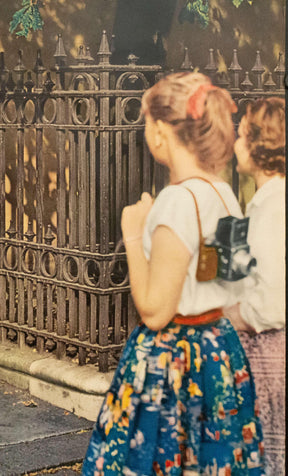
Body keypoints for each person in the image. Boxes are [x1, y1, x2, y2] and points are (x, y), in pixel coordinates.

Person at [81, 72, 265, 475]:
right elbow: (224, 281)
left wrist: (132, 230)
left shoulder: (176, 202)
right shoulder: (223, 192)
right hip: (217, 351)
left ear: (161, 130)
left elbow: (155, 311)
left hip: (172, 360)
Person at [224, 97, 285, 474]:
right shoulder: (261, 202)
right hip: (258, 346)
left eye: (242, 135)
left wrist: (231, 313)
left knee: (269, 455)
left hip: (268, 352)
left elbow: (275, 301)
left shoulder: (275, 207)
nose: (235, 144)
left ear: (259, 145)